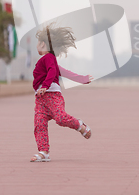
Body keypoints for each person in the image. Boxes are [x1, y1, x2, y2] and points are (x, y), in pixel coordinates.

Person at [30, 23, 93, 162]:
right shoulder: (48, 60)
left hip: (52, 96)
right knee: (39, 124)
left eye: (37, 43)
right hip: (41, 99)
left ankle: (79, 125)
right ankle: (43, 151)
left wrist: (45, 86)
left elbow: (53, 73)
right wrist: (82, 79)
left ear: (42, 44)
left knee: (60, 118)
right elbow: (63, 72)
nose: (36, 46)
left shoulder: (48, 57)